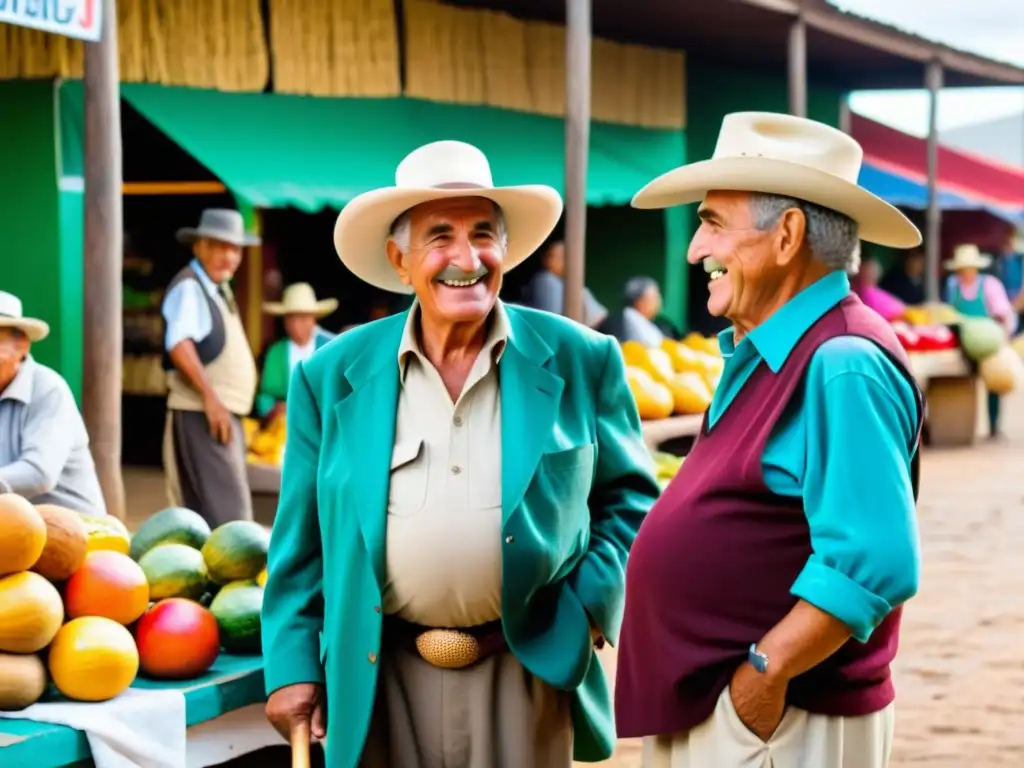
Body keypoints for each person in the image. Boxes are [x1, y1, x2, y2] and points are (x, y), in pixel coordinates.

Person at [261, 140, 657, 768]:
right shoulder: (332, 374)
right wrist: (289, 664)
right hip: (376, 671)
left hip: (524, 666)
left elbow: (632, 500)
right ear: (400, 260)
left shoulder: (583, 358)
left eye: (482, 235)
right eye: (439, 236)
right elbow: (299, 543)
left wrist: (586, 610)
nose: (465, 258)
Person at [617, 112, 925, 768]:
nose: (696, 249)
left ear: (786, 235)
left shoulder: (843, 361)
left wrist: (763, 673)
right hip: (744, 712)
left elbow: (876, 557)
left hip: (779, 719)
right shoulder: (771, 351)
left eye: (712, 223)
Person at [161, 208, 261, 527]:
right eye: (219, 246)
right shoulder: (190, 287)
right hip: (203, 413)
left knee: (222, 516)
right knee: (227, 519)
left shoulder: (217, 289)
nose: (228, 256)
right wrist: (211, 398)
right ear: (199, 246)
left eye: (234, 249)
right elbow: (179, 344)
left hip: (218, 414)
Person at [0, 291, 106, 515]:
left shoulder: (48, 388)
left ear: (22, 346)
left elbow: (38, 474)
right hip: (15, 531)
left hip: (77, 533)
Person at [943, 243, 1017, 438]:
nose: (964, 272)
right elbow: (950, 313)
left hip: (986, 342)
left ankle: (993, 425)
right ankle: (963, 426)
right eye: (961, 268)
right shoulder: (952, 285)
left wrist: (1000, 337)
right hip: (963, 343)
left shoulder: (990, 284)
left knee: (994, 382)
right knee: (961, 383)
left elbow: (1002, 314)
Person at [254, 283, 337, 420]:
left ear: (313, 318)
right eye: (291, 318)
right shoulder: (276, 352)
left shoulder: (331, 348)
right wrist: (275, 409)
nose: (296, 325)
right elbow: (265, 396)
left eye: (303, 318)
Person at [524, 240, 609, 329]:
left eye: (564, 256)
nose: (562, 260)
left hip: (599, 329)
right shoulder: (546, 280)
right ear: (545, 259)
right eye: (554, 255)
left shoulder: (566, 282)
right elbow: (555, 322)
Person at [618, 276, 667, 345]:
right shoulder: (630, 316)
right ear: (638, 301)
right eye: (654, 297)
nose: (658, 302)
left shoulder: (641, 319)